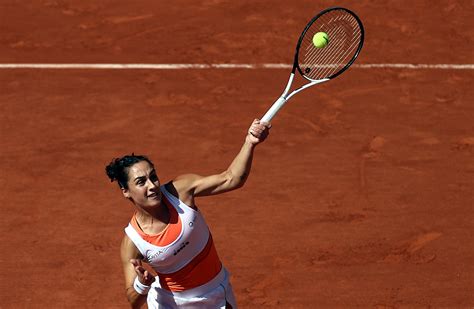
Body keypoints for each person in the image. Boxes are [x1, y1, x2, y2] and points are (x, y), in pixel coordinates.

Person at [105, 119, 271, 308]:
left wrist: (250, 142)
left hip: (215, 296)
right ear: (126, 191)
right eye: (141, 182)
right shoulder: (133, 241)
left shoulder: (180, 191)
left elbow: (231, 179)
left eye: (153, 177)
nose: (152, 186)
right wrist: (142, 284)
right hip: (168, 304)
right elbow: (133, 301)